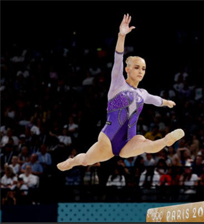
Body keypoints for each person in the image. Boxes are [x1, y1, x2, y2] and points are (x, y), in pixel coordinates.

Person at [57, 14, 184, 171]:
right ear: (127, 69)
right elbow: (118, 58)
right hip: (108, 140)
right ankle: (72, 161)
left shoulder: (142, 93)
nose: (140, 71)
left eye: (143, 68)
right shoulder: (118, 83)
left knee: (144, 144)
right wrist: (121, 35)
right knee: (86, 160)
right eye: (136, 67)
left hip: (128, 142)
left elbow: (153, 99)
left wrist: (166, 102)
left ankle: (166, 140)